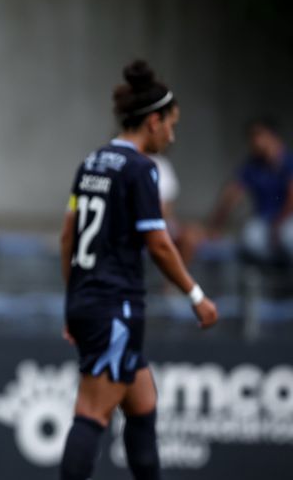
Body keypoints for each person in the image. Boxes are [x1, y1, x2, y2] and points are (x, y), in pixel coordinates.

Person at [58, 60, 218, 480]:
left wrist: (73, 299)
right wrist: (196, 296)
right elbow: (160, 244)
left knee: (142, 403)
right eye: (171, 124)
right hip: (116, 306)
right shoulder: (142, 170)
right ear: (153, 121)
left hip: (91, 301)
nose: (172, 134)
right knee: (91, 412)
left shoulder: (92, 163)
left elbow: (66, 238)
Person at [208, 118, 293, 264]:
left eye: (258, 135)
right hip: (265, 221)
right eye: (251, 136)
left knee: (287, 237)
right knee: (250, 239)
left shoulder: (288, 161)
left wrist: (279, 223)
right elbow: (231, 194)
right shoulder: (253, 165)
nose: (254, 141)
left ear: (272, 136)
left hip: (287, 220)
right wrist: (214, 228)